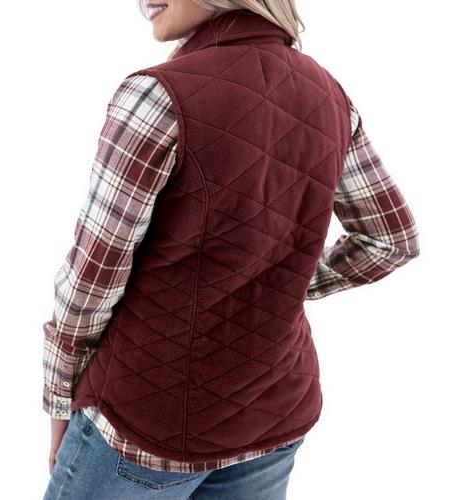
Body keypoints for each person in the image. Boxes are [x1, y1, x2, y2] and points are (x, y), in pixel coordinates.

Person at [42, 1, 420, 499]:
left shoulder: (154, 98)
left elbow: (91, 282)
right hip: (275, 415)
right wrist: (279, 283)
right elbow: (391, 239)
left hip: (145, 424)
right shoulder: (329, 94)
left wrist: (59, 398)